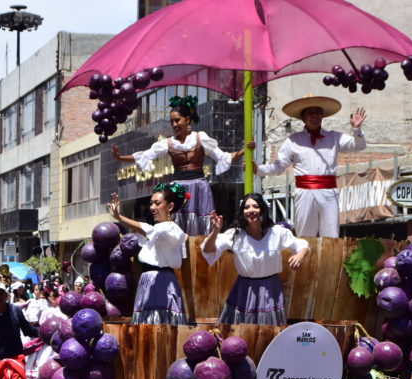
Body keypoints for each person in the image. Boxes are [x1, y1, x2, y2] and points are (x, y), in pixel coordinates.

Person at [111, 94, 254, 235]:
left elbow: (223, 157)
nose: (174, 125)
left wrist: (244, 150)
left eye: (177, 120)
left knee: (202, 223)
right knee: (178, 224)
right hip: (178, 188)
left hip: (199, 185)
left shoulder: (200, 138)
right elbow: (145, 155)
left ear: (188, 120)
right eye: (172, 121)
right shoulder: (168, 143)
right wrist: (120, 157)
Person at [254, 95, 366, 238]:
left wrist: (356, 129)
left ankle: (329, 261)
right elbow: (278, 166)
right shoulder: (293, 140)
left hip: (328, 192)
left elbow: (359, 145)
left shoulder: (334, 137)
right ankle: (304, 260)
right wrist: (258, 169)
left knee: (331, 236)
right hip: (304, 192)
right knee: (304, 237)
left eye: (318, 112)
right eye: (310, 113)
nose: (315, 116)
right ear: (303, 118)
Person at [201, 193, 309, 325]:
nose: (251, 210)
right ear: (242, 212)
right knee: (241, 328)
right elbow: (208, 250)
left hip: (270, 288)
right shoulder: (235, 234)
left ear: (263, 209)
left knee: (269, 329)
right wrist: (216, 230)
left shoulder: (277, 232)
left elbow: (302, 245)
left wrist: (299, 255)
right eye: (246, 207)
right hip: (244, 289)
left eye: (255, 206)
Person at [107, 183, 188, 325]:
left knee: (162, 325)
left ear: (170, 207)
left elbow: (147, 230)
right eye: (151, 204)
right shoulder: (157, 228)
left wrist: (120, 217)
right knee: (146, 326)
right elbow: (147, 230)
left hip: (162, 281)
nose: (152, 208)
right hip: (147, 280)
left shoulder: (172, 229)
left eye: (157, 203)